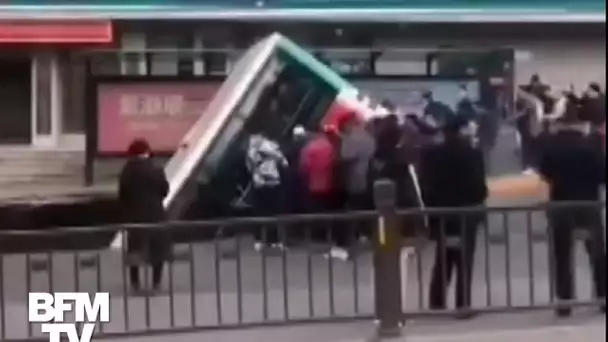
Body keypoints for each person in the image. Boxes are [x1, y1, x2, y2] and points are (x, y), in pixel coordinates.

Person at [538, 117, 606, 318]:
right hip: (588, 206)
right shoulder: (591, 149)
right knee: (597, 255)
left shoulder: (552, 148)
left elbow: (544, 173)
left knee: (562, 256)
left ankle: (565, 302)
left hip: (561, 207)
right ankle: (603, 296)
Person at [421, 118, 488, 317]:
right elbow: (478, 186)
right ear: (461, 132)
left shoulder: (430, 155)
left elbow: (426, 183)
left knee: (443, 256)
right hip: (465, 212)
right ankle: (463, 303)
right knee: (464, 259)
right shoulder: (473, 154)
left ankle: (437, 300)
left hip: (440, 212)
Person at [118, 138, 170, 293]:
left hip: (135, 216)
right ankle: (156, 283)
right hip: (156, 215)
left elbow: (122, 195)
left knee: (135, 249)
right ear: (147, 152)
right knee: (157, 250)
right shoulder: (156, 169)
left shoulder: (127, 171)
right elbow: (165, 191)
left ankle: (135, 284)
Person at [334, 113, 376, 260]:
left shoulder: (352, 139)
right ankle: (363, 236)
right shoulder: (369, 138)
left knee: (351, 212)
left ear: (349, 124)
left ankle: (347, 245)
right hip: (368, 179)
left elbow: (344, 158)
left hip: (355, 180)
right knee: (363, 210)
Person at [246, 133, 288, 252]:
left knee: (259, 212)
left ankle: (259, 240)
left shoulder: (252, 151)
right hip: (274, 183)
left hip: (259, 184)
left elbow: (249, 168)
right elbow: (284, 164)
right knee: (274, 213)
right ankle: (274, 240)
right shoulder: (274, 149)